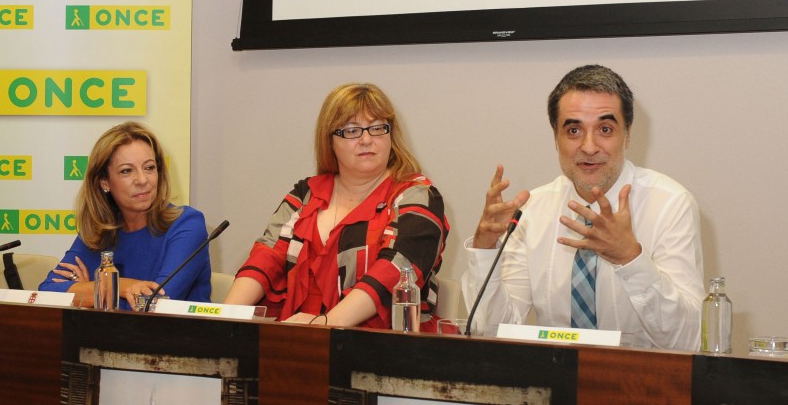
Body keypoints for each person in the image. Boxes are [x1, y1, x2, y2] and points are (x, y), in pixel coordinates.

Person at [461, 65, 703, 350]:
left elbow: (687, 343)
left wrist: (630, 258)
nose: (589, 147)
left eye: (605, 129)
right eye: (574, 130)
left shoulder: (670, 205)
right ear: (556, 138)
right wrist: (485, 251)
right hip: (553, 385)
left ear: (627, 136)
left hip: (641, 386)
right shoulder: (531, 211)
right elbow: (491, 334)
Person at [225, 82, 449, 330]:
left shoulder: (417, 195)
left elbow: (396, 270)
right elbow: (266, 256)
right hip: (295, 339)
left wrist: (325, 324)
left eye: (377, 128)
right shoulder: (306, 194)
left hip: (382, 348)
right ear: (329, 140)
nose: (366, 140)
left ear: (391, 136)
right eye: (352, 131)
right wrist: (224, 317)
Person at [37, 122, 211, 309]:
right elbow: (47, 292)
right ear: (104, 182)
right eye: (127, 171)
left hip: (175, 337)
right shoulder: (99, 231)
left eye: (149, 168)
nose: (143, 180)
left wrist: (86, 291)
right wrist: (121, 287)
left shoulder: (187, 224)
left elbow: (155, 305)